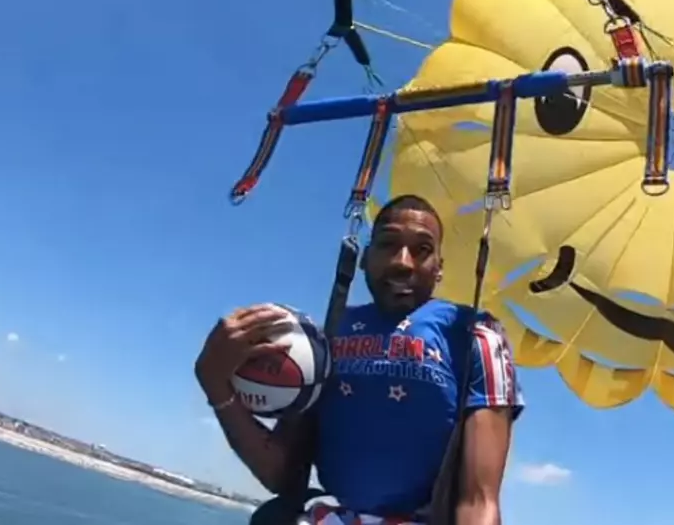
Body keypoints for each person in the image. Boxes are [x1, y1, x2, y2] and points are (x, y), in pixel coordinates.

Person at [194, 194, 525, 524]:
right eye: (388, 244)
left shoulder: (476, 335)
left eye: (422, 250)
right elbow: (282, 475)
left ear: (438, 269)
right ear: (365, 258)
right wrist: (216, 384)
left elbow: (479, 501)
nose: (403, 262)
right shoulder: (325, 337)